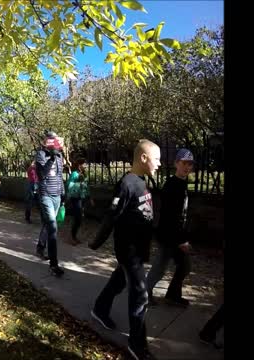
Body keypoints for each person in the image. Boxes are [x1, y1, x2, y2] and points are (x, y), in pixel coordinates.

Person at [88, 139, 161, 360]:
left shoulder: (142, 180)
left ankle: (99, 309)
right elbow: (111, 216)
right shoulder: (127, 184)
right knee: (140, 295)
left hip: (138, 248)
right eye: (156, 158)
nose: (159, 163)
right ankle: (136, 345)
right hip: (129, 250)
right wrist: (96, 242)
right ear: (143, 158)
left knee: (119, 280)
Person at [146, 148, 195, 306]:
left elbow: (182, 213)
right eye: (184, 163)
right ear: (176, 163)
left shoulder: (181, 183)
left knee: (184, 265)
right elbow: (171, 216)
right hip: (169, 236)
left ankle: (172, 294)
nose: (187, 167)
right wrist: (181, 240)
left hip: (175, 235)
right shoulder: (172, 185)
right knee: (161, 267)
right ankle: (145, 294)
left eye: (190, 164)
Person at [35, 131, 66, 277]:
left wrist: (63, 193)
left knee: (49, 224)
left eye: (55, 140)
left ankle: (40, 247)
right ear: (45, 142)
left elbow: (60, 176)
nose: (53, 143)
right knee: (52, 228)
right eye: (50, 140)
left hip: (57, 195)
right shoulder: (41, 154)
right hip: (46, 194)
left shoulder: (60, 155)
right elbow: (42, 174)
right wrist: (51, 158)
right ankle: (54, 265)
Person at [66, 158, 94, 245]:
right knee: (77, 217)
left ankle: (74, 236)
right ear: (79, 165)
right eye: (84, 164)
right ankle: (71, 237)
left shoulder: (84, 174)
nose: (85, 166)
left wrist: (90, 198)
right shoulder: (74, 174)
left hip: (82, 198)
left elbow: (86, 186)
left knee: (79, 218)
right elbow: (69, 185)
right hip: (75, 198)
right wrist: (78, 183)